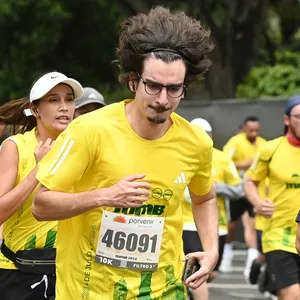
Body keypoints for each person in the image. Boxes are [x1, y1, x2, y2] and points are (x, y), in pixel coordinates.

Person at [32, 6, 219, 299]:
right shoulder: (89, 131)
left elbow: (204, 197)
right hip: (90, 290)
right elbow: (41, 205)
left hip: (163, 290)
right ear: (134, 80)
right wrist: (105, 196)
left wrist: (211, 249)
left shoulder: (196, 142)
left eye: (174, 89)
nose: (162, 100)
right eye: (153, 86)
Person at [0, 71, 83, 300]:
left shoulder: (83, 148)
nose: (64, 107)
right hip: (18, 271)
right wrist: (39, 171)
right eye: (54, 100)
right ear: (35, 109)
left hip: (70, 272)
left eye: (69, 99)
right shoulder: (16, 146)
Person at [244, 95, 300, 300]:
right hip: (279, 235)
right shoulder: (271, 149)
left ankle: (266, 272)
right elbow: (250, 181)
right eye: (299, 116)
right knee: (293, 295)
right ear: (287, 119)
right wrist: (258, 203)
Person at [182, 118, 243, 300]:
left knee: (210, 273)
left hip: (218, 226)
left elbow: (239, 189)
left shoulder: (222, 158)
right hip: (186, 224)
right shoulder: (178, 155)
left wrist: (215, 188)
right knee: (196, 271)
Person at [220, 116, 266, 280]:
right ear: (245, 129)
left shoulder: (263, 144)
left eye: (256, 130)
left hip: (253, 191)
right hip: (236, 190)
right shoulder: (236, 141)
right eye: (250, 130)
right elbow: (224, 161)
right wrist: (243, 164)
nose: (253, 133)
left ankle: (251, 262)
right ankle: (227, 252)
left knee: (250, 225)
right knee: (231, 225)